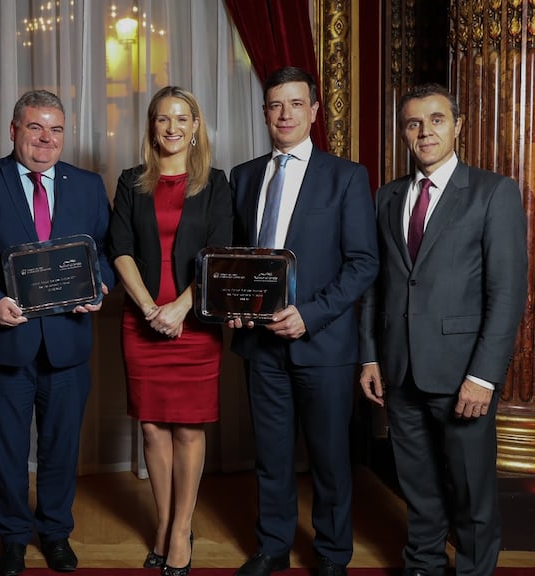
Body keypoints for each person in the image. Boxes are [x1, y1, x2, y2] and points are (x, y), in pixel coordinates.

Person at [0, 89, 115, 576]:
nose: (46, 138)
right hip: (4, 342)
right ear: (14, 130)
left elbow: (105, 250)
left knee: (62, 449)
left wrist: (101, 284)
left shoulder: (86, 185)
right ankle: (14, 537)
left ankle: (56, 533)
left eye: (56, 129)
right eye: (36, 127)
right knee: (7, 450)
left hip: (67, 343)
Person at [359, 83, 527, 576]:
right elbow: (376, 286)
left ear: (458, 126)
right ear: (404, 132)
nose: (424, 131)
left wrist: (484, 375)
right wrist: (369, 356)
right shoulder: (386, 196)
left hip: (462, 374)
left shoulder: (493, 193)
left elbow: (507, 293)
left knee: (472, 490)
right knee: (417, 485)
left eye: (436, 120)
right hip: (400, 369)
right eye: (413, 123)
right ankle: (423, 566)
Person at [228, 67, 378, 576]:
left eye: (296, 104)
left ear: (314, 111)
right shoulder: (245, 176)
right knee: (270, 455)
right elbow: (236, 261)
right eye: (275, 105)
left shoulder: (347, 176)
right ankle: (272, 546)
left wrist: (308, 316)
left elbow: (363, 263)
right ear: (265, 112)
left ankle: (333, 554)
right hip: (261, 347)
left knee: (330, 458)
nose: (285, 114)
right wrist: (236, 305)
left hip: (323, 345)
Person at [107, 86, 231, 576]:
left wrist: (180, 308)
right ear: (151, 126)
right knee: (153, 429)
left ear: (196, 126)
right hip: (141, 324)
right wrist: (148, 308)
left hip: (196, 324)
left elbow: (220, 253)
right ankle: (162, 521)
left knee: (187, 429)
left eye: (182, 118)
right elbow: (119, 248)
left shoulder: (217, 184)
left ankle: (182, 529)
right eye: (163, 119)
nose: (172, 128)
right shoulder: (130, 182)